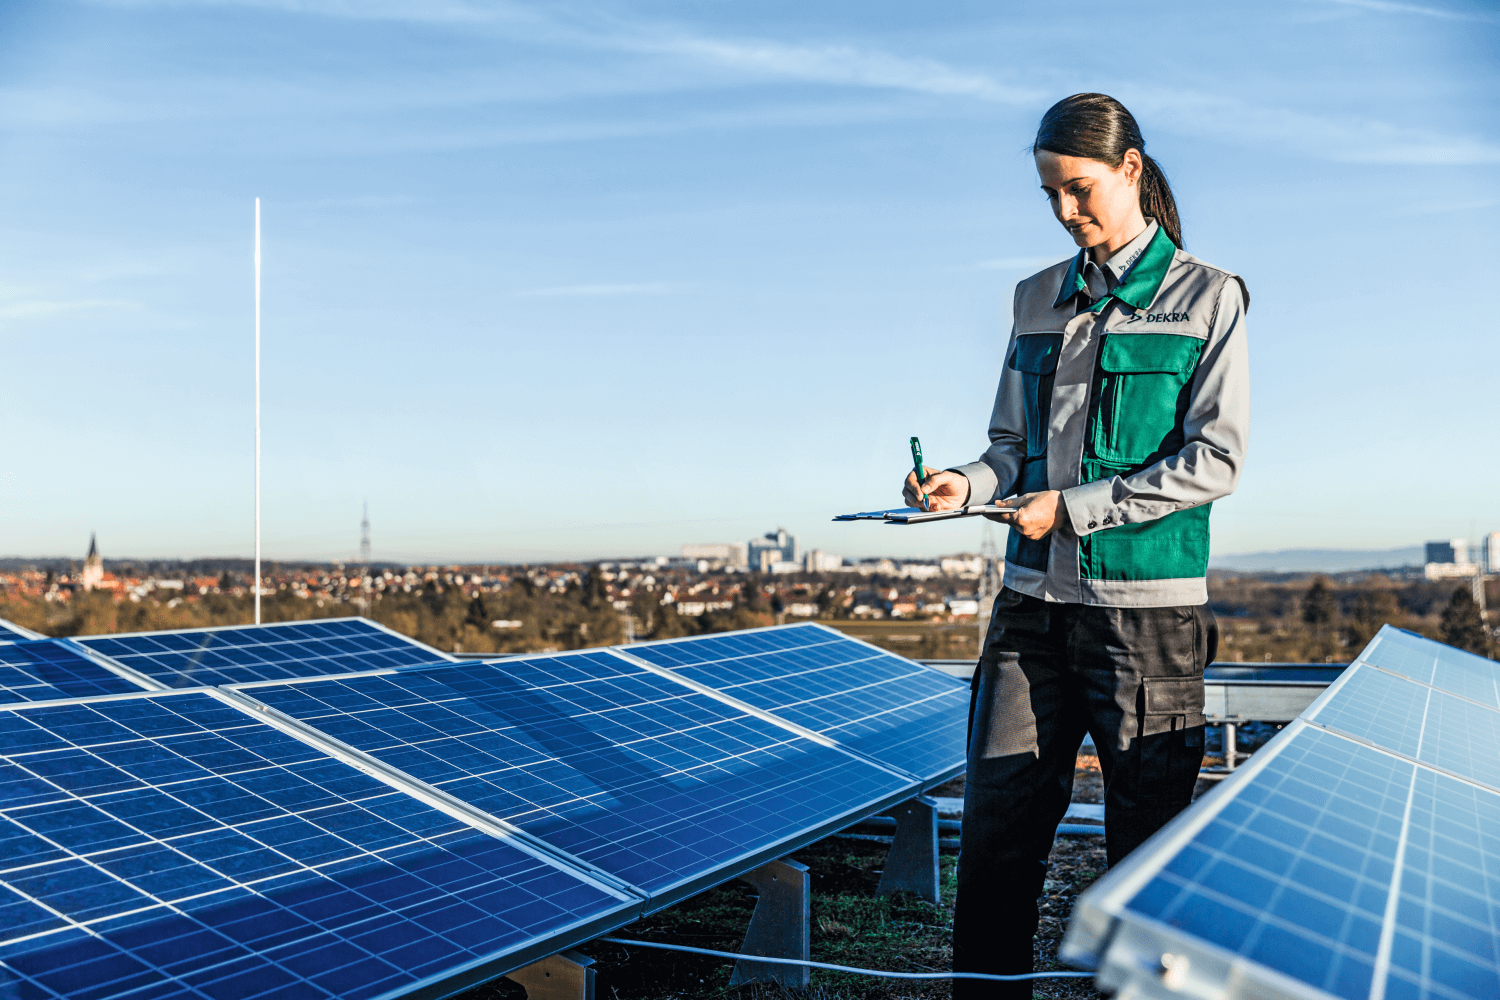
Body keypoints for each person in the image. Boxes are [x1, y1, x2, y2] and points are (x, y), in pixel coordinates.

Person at [901, 93, 1249, 995]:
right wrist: (964, 486)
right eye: (1051, 194)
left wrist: (1076, 509)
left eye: (1080, 189)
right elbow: (1010, 450)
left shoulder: (1209, 297)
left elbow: (1215, 461)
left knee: (1148, 850)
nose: (1066, 211)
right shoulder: (1033, 298)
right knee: (996, 837)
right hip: (1029, 612)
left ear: (1131, 169)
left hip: (1148, 625)